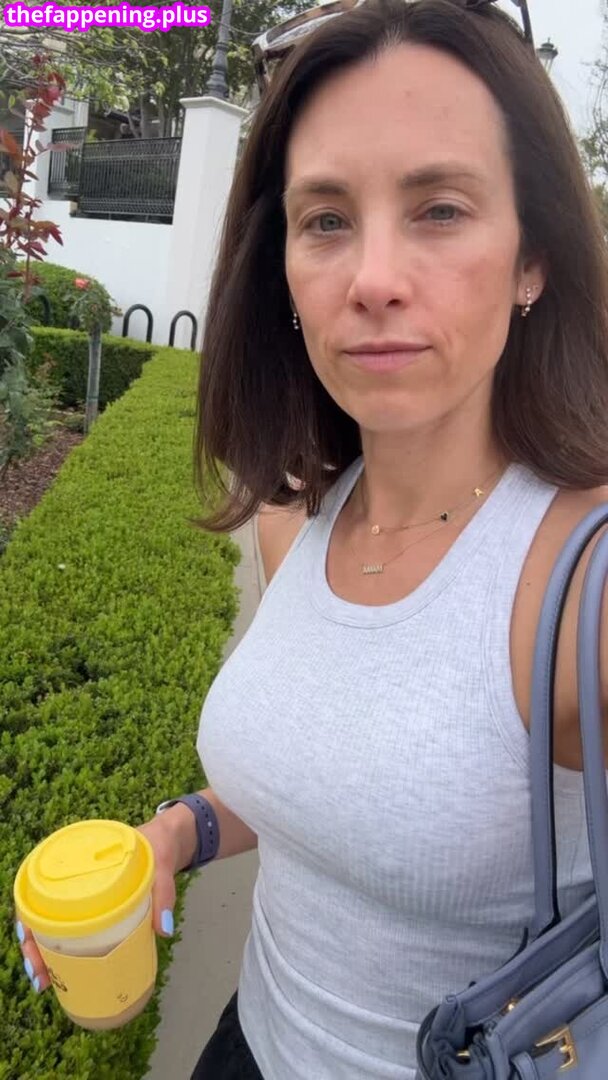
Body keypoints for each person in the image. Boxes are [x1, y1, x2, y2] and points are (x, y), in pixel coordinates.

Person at [16, 0, 608, 1076]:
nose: (371, 278)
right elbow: (323, 784)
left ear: (534, 260)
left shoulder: (580, 583)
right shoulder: (304, 511)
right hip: (245, 1043)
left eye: (438, 208)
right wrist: (181, 833)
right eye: (325, 219)